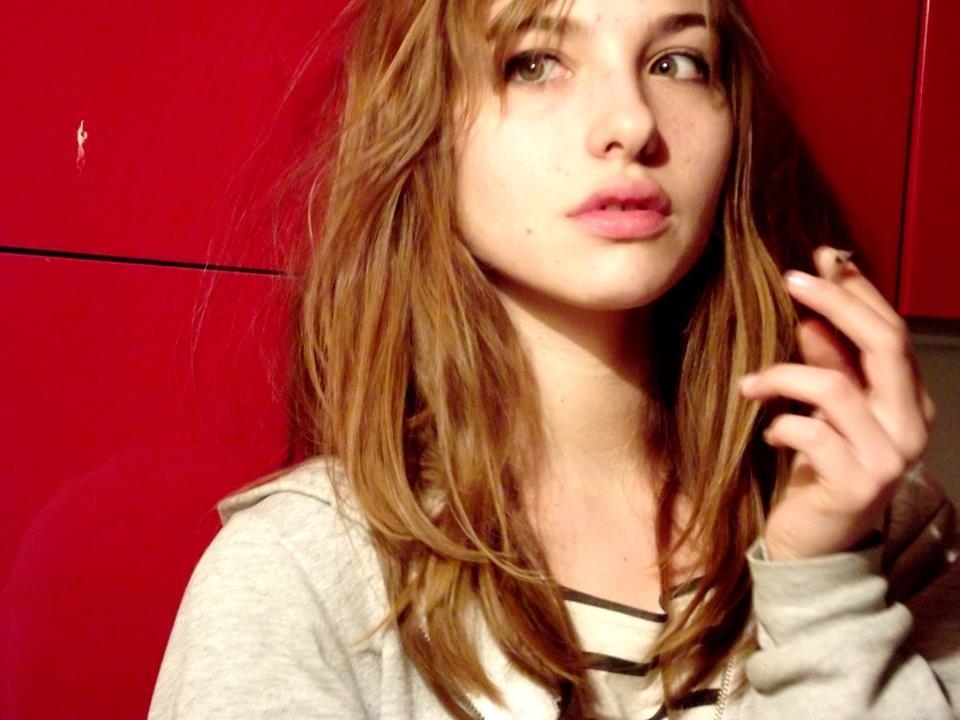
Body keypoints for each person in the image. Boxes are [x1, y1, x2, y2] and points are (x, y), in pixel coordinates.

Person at [148, 0, 960, 717]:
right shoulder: (300, 574)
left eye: (677, 62)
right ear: (426, 128)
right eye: (535, 62)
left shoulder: (885, 530)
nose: (633, 123)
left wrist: (823, 589)